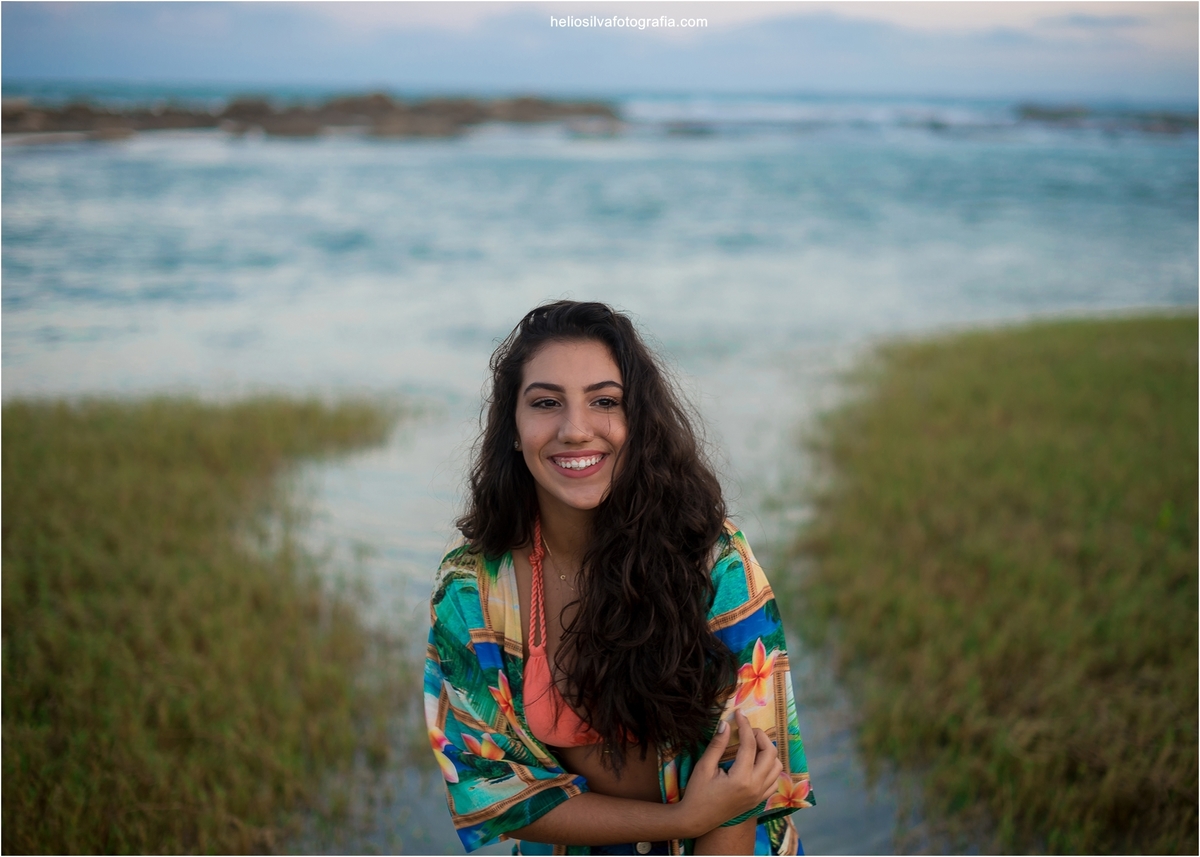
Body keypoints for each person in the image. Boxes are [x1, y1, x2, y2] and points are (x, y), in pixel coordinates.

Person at [425, 301, 813, 856]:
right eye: (546, 403)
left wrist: (701, 820)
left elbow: (750, 783)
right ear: (513, 428)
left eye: (605, 401)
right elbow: (494, 792)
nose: (575, 429)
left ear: (639, 422)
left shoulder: (713, 562)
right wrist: (682, 816)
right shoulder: (472, 586)